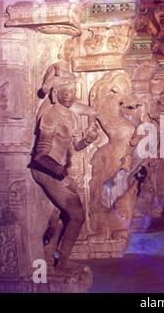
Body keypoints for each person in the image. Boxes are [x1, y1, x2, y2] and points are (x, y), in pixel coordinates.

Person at [30, 82, 98, 274]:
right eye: (65, 92)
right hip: (45, 170)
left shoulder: (71, 116)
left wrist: (87, 140)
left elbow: (76, 145)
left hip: (57, 170)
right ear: (55, 94)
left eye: (72, 92)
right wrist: (63, 175)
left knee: (67, 213)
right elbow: (40, 157)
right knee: (77, 215)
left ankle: (51, 251)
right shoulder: (50, 117)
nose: (69, 96)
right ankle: (63, 261)